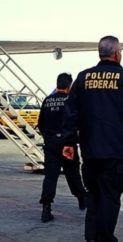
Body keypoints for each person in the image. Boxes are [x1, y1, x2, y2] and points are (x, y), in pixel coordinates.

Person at [62, 36, 123, 242]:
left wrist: (68, 143)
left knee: (94, 194)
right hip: (115, 150)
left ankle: (91, 238)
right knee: (110, 197)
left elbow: (71, 113)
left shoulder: (83, 78)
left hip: (90, 149)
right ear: (117, 53)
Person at [37, 73, 88, 223]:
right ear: (69, 86)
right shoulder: (71, 100)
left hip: (51, 144)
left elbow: (41, 124)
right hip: (68, 144)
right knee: (73, 174)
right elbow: (77, 122)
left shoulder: (47, 101)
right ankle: (82, 199)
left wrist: (49, 138)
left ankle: (46, 209)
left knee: (50, 177)